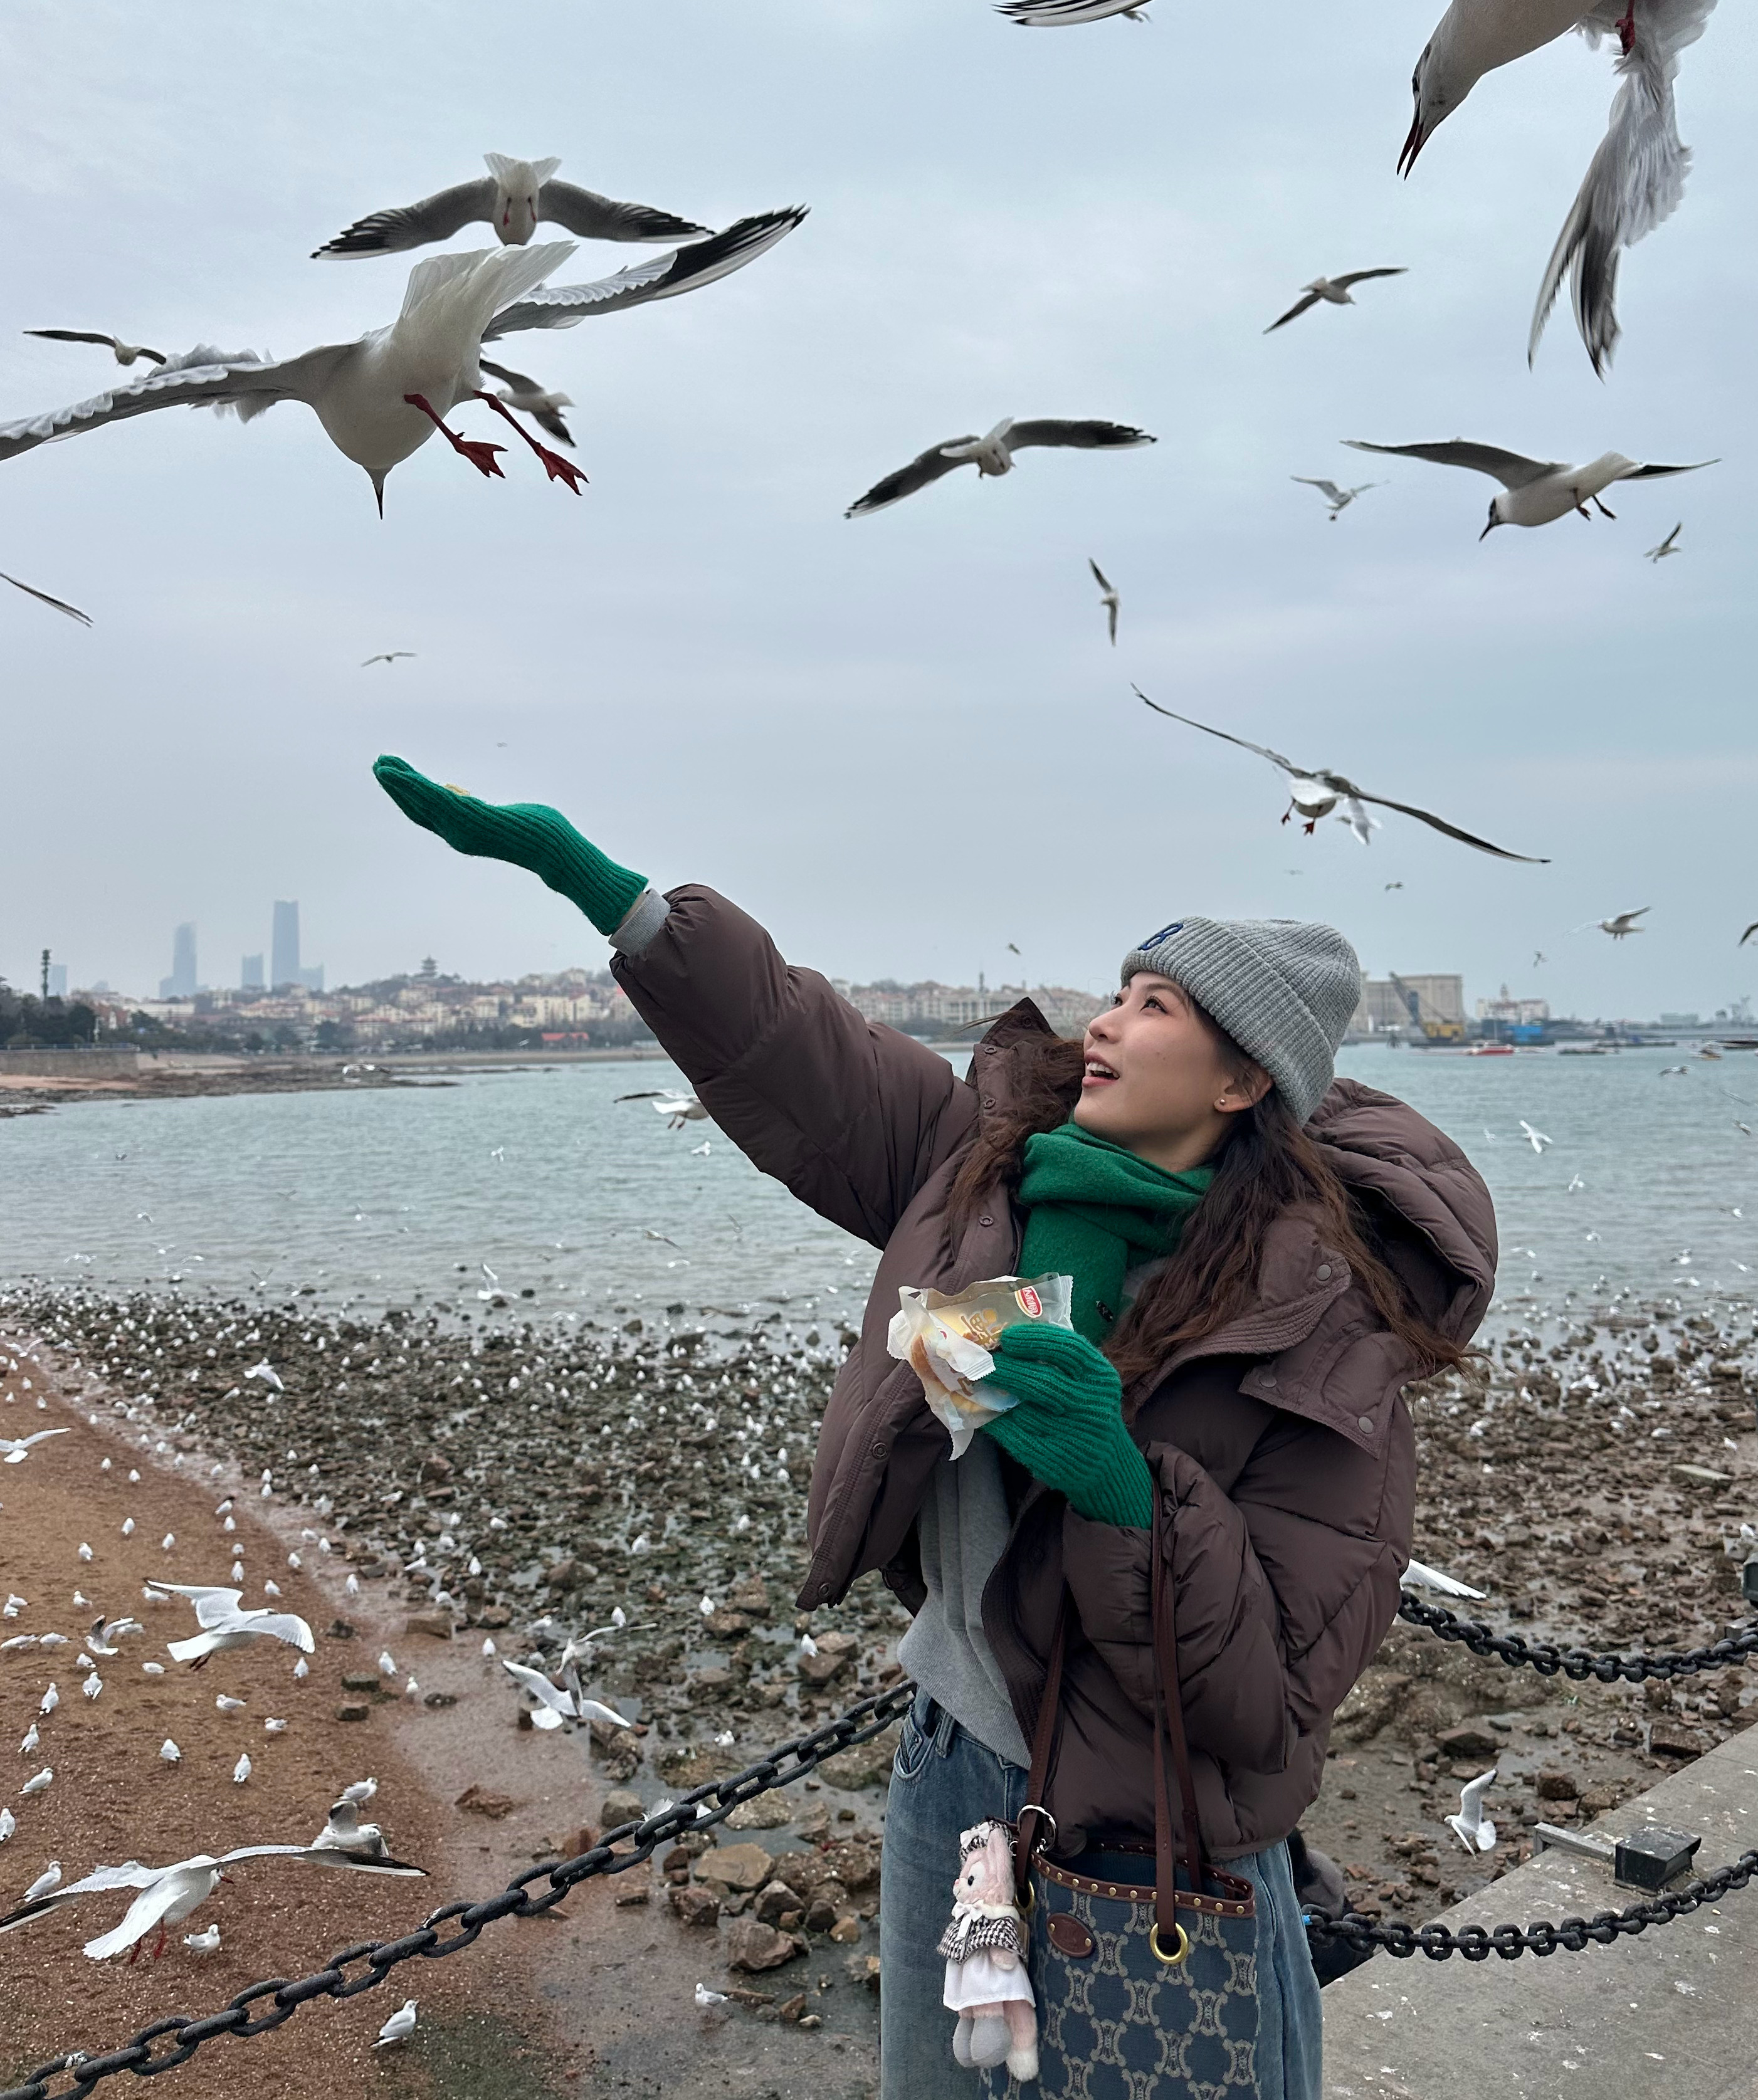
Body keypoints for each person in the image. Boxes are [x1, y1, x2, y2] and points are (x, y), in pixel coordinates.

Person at [372, 756, 1495, 2100]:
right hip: (947, 1779)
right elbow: (806, 1054)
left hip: (1156, 1832)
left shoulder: (1315, 1324)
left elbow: (1261, 1703)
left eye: (1153, 1007)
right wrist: (610, 895)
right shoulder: (983, 1172)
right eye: (1116, 990)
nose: (1103, 1022)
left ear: (1243, 1083)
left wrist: (1125, 1492)